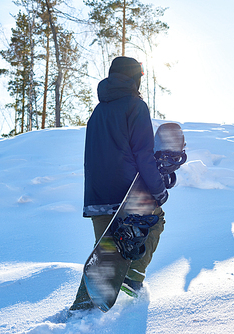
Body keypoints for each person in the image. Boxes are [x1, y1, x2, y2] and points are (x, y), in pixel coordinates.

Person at [69, 56, 169, 312]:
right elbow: (143, 154)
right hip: (126, 192)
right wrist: (157, 189)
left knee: (106, 247)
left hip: (96, 195)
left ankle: (87, 311)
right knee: (156, 220)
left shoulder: (98, 111)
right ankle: (133, 278)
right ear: (133, 77)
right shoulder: (135, 106)